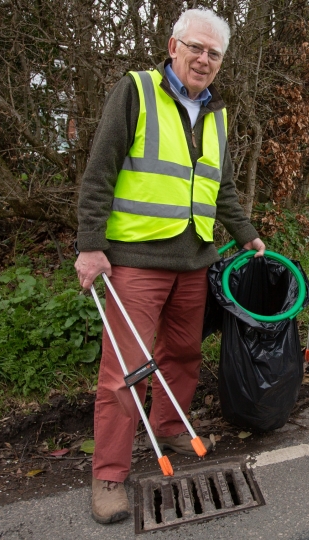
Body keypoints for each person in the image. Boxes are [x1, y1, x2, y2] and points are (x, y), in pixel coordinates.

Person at [74, 8, 266, 525]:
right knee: (124, 371)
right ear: (173, 45)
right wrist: (90, 246)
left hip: (194, 258)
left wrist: (246, 233)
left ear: (222, 62)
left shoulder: (218, 113)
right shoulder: (136, 90)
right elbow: (100, 170)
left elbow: (219, 186)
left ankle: (169, 428)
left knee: (182, 352)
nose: (204, 59)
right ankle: (110, 473)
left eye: (214, 54)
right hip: (136, 259)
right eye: (196, 48)